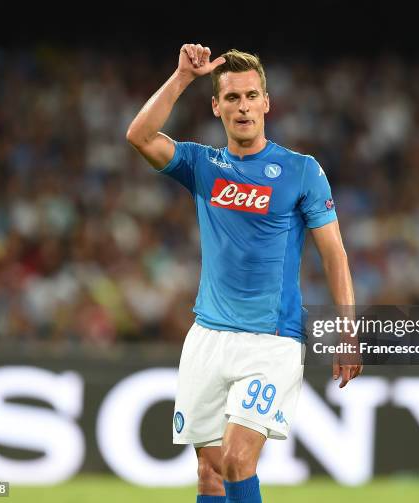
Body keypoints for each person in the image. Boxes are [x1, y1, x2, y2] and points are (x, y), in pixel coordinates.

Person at [127, 43, 362, 503]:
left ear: (266, 102)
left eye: (251, 95)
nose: (243, 106)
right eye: (232, 98)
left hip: (270, 341)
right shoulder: (202, 165)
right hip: (208, 337)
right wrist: (181, 78)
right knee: (210, 474)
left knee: (237, 459)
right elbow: (139, 135)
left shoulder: (301, 171)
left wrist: (347, 329)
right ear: (216, 106)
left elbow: (334, 254)